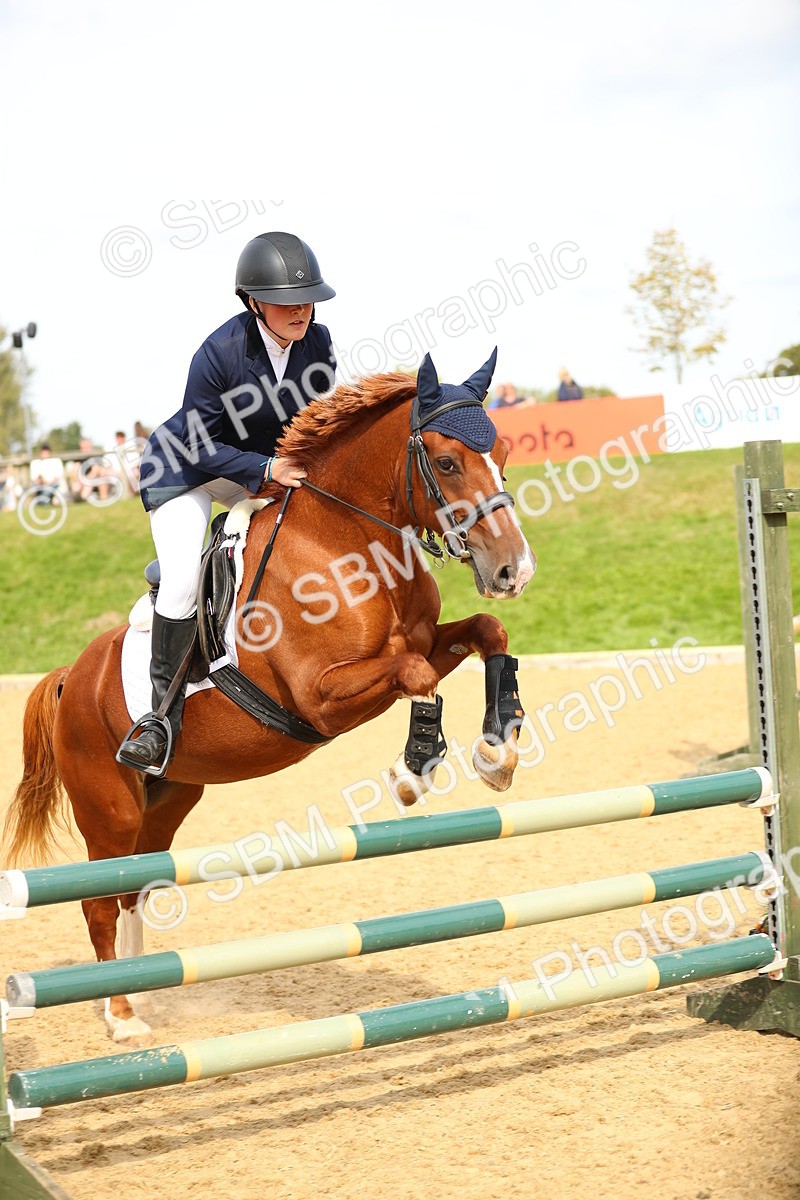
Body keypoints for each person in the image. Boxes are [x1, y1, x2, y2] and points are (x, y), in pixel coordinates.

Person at [117, 231, 337, 774]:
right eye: (288, 301)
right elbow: (197, 442)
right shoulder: (218, 352)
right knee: (184, 582)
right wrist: (265, 471)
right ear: (254, 302)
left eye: (307, 298)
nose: (301, 310)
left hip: (254, 470)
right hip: (184, 471)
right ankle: (158, 721)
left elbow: (314, 422)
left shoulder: (319, 343)